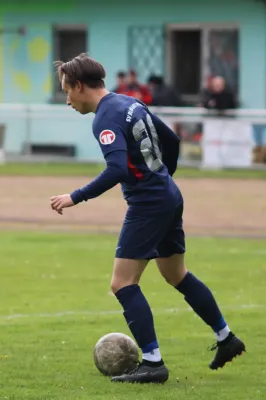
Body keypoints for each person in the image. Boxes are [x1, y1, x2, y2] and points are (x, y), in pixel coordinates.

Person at [49, 53, 245, 384]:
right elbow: (172, 140)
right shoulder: (129, 103)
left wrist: (75, 196)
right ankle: (226, 338)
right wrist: (162, 179)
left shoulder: (104, 118)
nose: (67, 100)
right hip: (168, 195)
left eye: (67, 91)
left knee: (122, 283)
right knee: (176, 274)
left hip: (149, 205)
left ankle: (153, 363)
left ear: (80, 86)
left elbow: (117, 169)